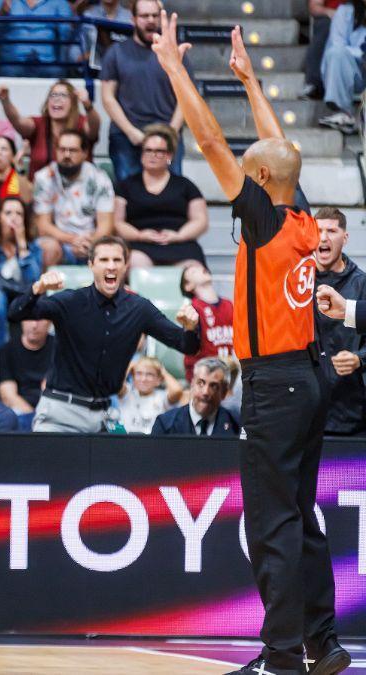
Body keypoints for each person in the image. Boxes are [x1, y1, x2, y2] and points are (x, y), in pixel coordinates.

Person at [160, 14, 346, 673]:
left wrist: (175, 68)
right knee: (303, 517)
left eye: (246, 173)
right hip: (311, 377)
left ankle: (280, 656)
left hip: (274, 384)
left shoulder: (267, 223)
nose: (235, 173)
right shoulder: (298, 213)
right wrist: (248, 81)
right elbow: (280, 145)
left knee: (274, 525)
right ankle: (322, 643)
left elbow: (210, 139)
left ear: (260, 183)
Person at [8, 236, 199, 433]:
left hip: (104, 415)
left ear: (126, 266)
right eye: (104, 260)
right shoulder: (71, 301)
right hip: (60, 414)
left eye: (117, 260)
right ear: (91, 265)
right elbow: (15, 313)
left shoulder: (139, 309)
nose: (111, 266)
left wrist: (191, 327)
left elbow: (187, 346)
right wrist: (37, 289)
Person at [100, 0, 189, 181]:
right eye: (144, 16)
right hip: (127, 136)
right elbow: (108, 97)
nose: (150, 20)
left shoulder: (175, 53)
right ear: (133, 19)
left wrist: (171, 132)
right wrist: (131, 132)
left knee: (172, 195)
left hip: (168, 134)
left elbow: (186, 97)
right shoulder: (116, 52)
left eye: (155, 16)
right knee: (127, 196)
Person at [113, 124, 208, 268]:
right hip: (139, 244)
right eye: (148, 150)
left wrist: (179, 236)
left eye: (159, 151)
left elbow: (201, 220)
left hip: (180, 244)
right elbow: (117, 222)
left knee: (194, 270)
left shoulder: (186, 185)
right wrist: (139, 235)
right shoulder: (125, 186)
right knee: (136, 263)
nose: (153, 155)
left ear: (169, 155)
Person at [311, 207, 366, 436]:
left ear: (345, 237)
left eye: (331, 230)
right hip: (309, 412)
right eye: (318, 230)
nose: (323, 237)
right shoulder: (298, 283)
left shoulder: (362, 283)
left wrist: (359, 359)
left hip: (353, 412)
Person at [32, 129, 115, 267]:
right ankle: (45, 288)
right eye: (62, 149)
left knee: (112, 251)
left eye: (73, 150)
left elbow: (106, 225)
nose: (66, 155)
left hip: (92, 241)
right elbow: (43, 225)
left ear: (84, 153)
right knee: (49, 248)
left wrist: (90, 242)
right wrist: (72, 240)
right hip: (58, 240)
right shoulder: (44, 178)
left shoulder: (99, 178)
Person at [0, 196, 42, 349]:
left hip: (22, 300)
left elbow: (35, 283)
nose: (14, 218)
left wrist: (22, 247)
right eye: (8, 213)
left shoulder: (34, 248)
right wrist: (12, 283)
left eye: (19, 214)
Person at [0, 80, 100, 176]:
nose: (57, 99)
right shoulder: (38, 124)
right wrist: (5, 101)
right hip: (39, 191)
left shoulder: (82, 123)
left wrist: (88, 105)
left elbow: (94, 126)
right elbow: (18, 121)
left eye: (63, 95)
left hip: (78, 191)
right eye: (53, 95)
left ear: (73, 102)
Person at [151, 356, 240, 436]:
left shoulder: (237, 425)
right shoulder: (165, 424)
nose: (205, 392)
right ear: (192, 384)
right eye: (200, 383)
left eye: (214, 386)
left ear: (224, 392)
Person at [0, 0, 75, 77]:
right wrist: (3, 13)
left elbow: (66, 34)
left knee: (57, 72)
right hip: (12, 63)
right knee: (7, 71)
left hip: (47, 63)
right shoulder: (0, 1)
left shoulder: (60, 2)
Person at [317, 0, 366, 134]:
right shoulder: (345, 11)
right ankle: (344, 114)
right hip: (356, 72)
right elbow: (337, 44)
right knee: (336, 53)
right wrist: (361, 53)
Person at [179, 262, 234, 380]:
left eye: (202, 268)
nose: (201, 269)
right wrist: (190, 329)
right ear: (188, 286)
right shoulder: (192, 310)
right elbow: (189, 347)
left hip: (229, 373)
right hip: (203, 376)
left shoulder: (229, 304)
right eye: (194, 271)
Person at [0, 318, 53, 429]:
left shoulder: (60, 348)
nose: (34, 325)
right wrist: (33, 417)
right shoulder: (7, 350)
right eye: (30, 319)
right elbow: (8, 395)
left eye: (40, 319)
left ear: (50, 322)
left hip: (51, 408)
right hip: (19, 410)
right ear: (22, 321)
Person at [115, 355, 183, 434]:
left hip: (153, 443)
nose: (143, 379)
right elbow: (115, 384)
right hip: (127, 442)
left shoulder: (162, 397)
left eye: (149, 374)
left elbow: (177, 390)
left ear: (159, 380)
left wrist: (162, 371)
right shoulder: (127, 394)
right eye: (139, 373)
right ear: (133, 378)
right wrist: (130, 366)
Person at [302, 0, 343, 101]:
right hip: (332, 18)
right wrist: (333, 13)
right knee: (325, 26)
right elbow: (314, 7)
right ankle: (315, 84)